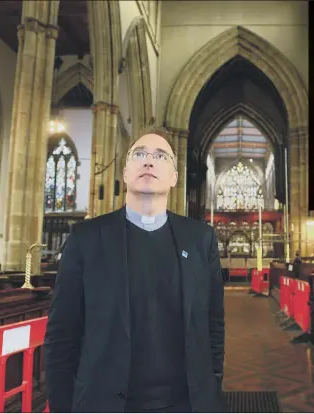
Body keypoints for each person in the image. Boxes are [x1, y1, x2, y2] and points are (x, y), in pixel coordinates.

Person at [44, 126, 225, 413]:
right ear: (126, 172)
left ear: (174, 177)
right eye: (139, 153)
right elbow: (62, 334)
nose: (149, 161)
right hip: (105, 404)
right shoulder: (86, 238)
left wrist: (212, 388)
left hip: (185, 404)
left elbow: (214, 325)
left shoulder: (201, 239)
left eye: (161, 156)